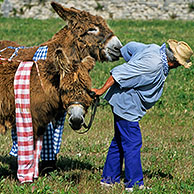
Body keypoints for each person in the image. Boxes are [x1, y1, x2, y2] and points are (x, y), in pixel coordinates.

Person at [91, 39, 193, 192]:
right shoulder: (153, 64)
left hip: (123, 101)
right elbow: (120, 73)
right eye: (178, 65)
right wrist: (100, 90)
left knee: (120, 140)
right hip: (126, 103)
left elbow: (131, 47)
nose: (177, 68)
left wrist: (125, 53)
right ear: (173, 62)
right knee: (133, 142)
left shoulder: (154, 48)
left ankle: (109, 180)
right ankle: (134, 185)